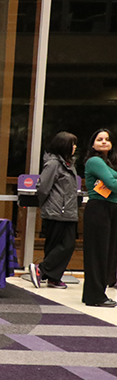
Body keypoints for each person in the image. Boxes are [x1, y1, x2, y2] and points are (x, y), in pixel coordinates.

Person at [28, 132, 78, 290]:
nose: (75, 147)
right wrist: (48, 204)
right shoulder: (53, 164)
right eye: (72, 144)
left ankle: (53, 277)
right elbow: (43, 187)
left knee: (63, 245)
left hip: (68, 211)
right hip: (56, 210)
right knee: (64, 244)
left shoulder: (69, 164)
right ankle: (41, 270)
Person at [82, 128, 117, 307]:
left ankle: (96, 294)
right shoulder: (94, 161)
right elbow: (112, 184)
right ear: (93, 144)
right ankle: (95, 296)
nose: (104, 142)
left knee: (107, 253)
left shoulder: (109, 163)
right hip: (99, 209)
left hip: (111, 209)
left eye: (107, 139)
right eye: (99, 139)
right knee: (98, 253)